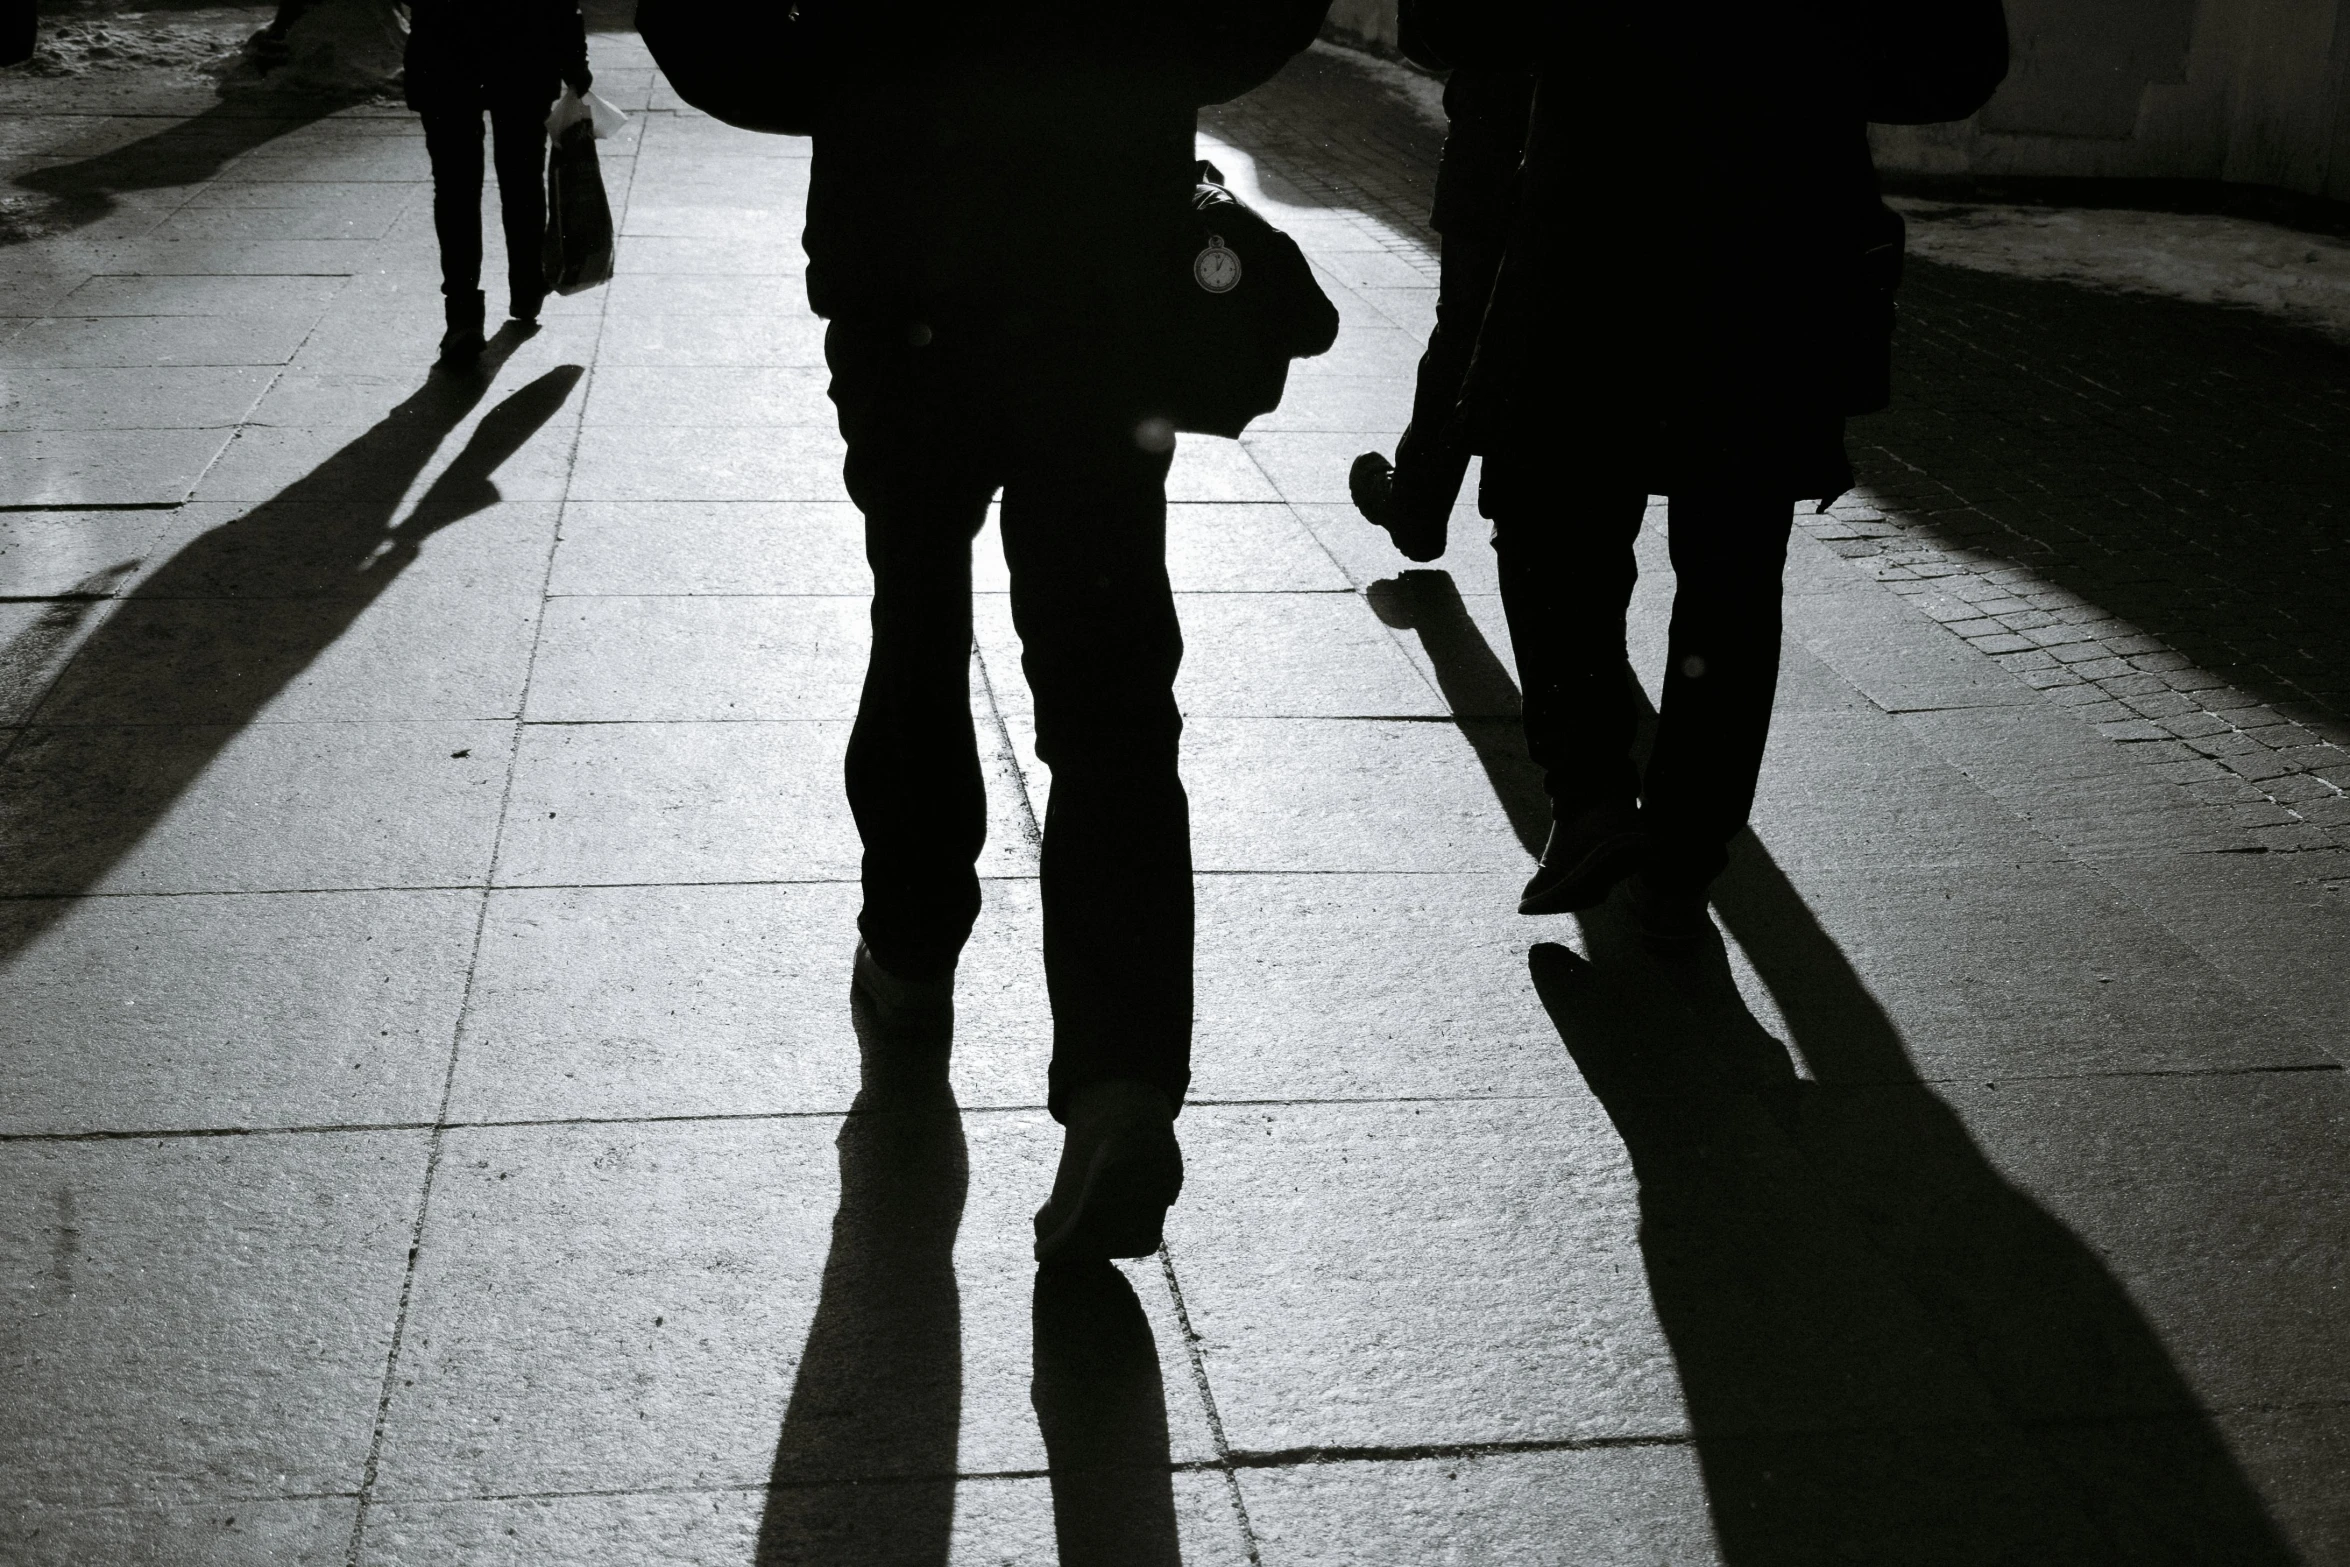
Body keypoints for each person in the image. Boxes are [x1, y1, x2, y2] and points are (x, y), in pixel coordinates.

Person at [799, 2, 1329, 1262]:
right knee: (1110, 694)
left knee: (918, 616)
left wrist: (857, 55)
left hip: (909, 274)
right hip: (1100, 282)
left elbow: (714, 44)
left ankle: (912, 944)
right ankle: (1120, 1081)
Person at [1455, 0, 2008, 937]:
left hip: (1599, 235)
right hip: (1766, 251)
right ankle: (1681, 846)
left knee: (1559, 522)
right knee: (1731, 566)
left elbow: (1459, 24)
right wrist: (1802, 55)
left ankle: (1593, 795)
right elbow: (1953, 61)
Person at [1346, 3, 1533, 564]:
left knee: (1462, 330)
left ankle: (1419, 504)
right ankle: (1520, 508)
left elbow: (1429, 36)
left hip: (1492, 146)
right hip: (1601, 156)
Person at [404, 0, 591, 365]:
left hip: (446, 51)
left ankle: (462, 315)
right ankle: (527, 284)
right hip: (523, 51)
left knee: (456, 187)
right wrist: (575, 61)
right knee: (522, 180)